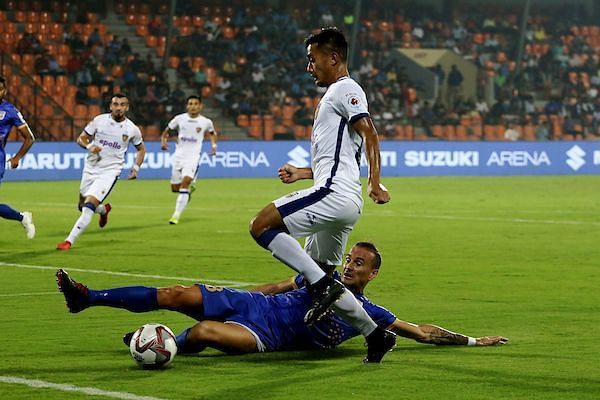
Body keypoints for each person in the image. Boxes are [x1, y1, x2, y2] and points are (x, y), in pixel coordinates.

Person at [56, 242, 508, 363]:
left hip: (264, 335)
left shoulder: (370, 314)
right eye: (351, 258)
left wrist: (473, 341)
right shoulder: (321, 276)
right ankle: (87, 298)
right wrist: (236, 295)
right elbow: (277, 287)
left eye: (361, 264)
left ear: (373, 275)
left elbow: (421, 332)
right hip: (251, 306)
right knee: (176, 294)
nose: (350, 266)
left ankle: (163, 344)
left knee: (204, 333)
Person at [248, 27, 393, 362]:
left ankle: (323, 287)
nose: (309, 67)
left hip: (335, 194)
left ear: (334, 57)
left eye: (313, 60)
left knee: (261, 225)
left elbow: (370, 133)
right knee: (321, 271)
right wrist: (302, 172)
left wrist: (375, 181)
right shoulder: (334, 96)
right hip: (341, 195)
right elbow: (339, 160)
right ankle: (374, 334)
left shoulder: (346, 89)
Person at [56, 93, 145, 250]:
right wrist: (90, 147)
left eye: (122, 104)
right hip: (91, 168)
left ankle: (69, 241)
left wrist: (135, 168)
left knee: (88, 206)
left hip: (110, 172)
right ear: (110, 106)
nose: (119, 108)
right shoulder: (99, 121)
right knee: (81, 205)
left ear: (127, 107)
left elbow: (141, 150)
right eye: (116, 104)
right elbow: (81, 139)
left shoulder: (132, 129)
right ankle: (104, 210)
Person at [160, 95, 217, 225]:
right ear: (187, 106)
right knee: (175, 188)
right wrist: (163, 141)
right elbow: (167, 131)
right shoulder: (179, 119)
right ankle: (188, 193)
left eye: (196, 103)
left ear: (200, 106)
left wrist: (214, 146)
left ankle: (175, 216)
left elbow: (212, 133)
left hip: (193, 157)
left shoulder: (206, 122)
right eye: (190, 103)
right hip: (178, 156)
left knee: (185, 183)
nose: (193, 106)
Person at [0, 76, 36, 239]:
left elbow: (29, 137)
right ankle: (23, 217)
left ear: (4, 91)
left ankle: (22, 218)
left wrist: (17, 157)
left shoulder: (9, 110)